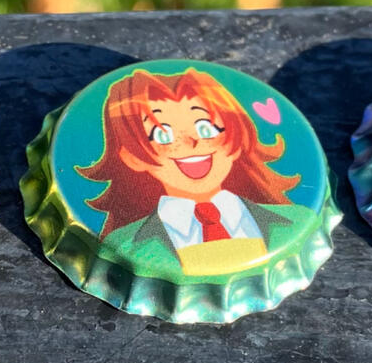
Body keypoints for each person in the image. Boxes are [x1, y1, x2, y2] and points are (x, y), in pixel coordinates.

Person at [78, 67, 312, 277]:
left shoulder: (298, 220)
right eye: (162, 134)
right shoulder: (124, 244)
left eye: (206, 127)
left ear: (239, 134)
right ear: (131, 156)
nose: (191, 142)